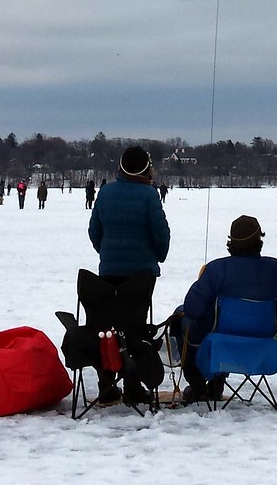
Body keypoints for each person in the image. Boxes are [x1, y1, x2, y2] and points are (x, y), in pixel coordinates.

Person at [88, 146, 170, 404]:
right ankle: (133, 387)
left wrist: (107, 253)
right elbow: (160, 234)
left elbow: (94, 231)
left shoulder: (106, 192)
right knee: (135, 329)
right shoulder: (149, 195)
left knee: (107, 328)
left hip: (108, 272)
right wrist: (157, 255)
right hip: (141, 276)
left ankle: (106, 385)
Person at [171, 215, 277, 403]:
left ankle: (198, 385)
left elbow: (192, 309)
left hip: (221, 339)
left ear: (232, 241)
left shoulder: (217, 269)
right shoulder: (274, 268)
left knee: (180, 317)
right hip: (263, 338)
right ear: (259, 239)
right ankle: (217, 383)